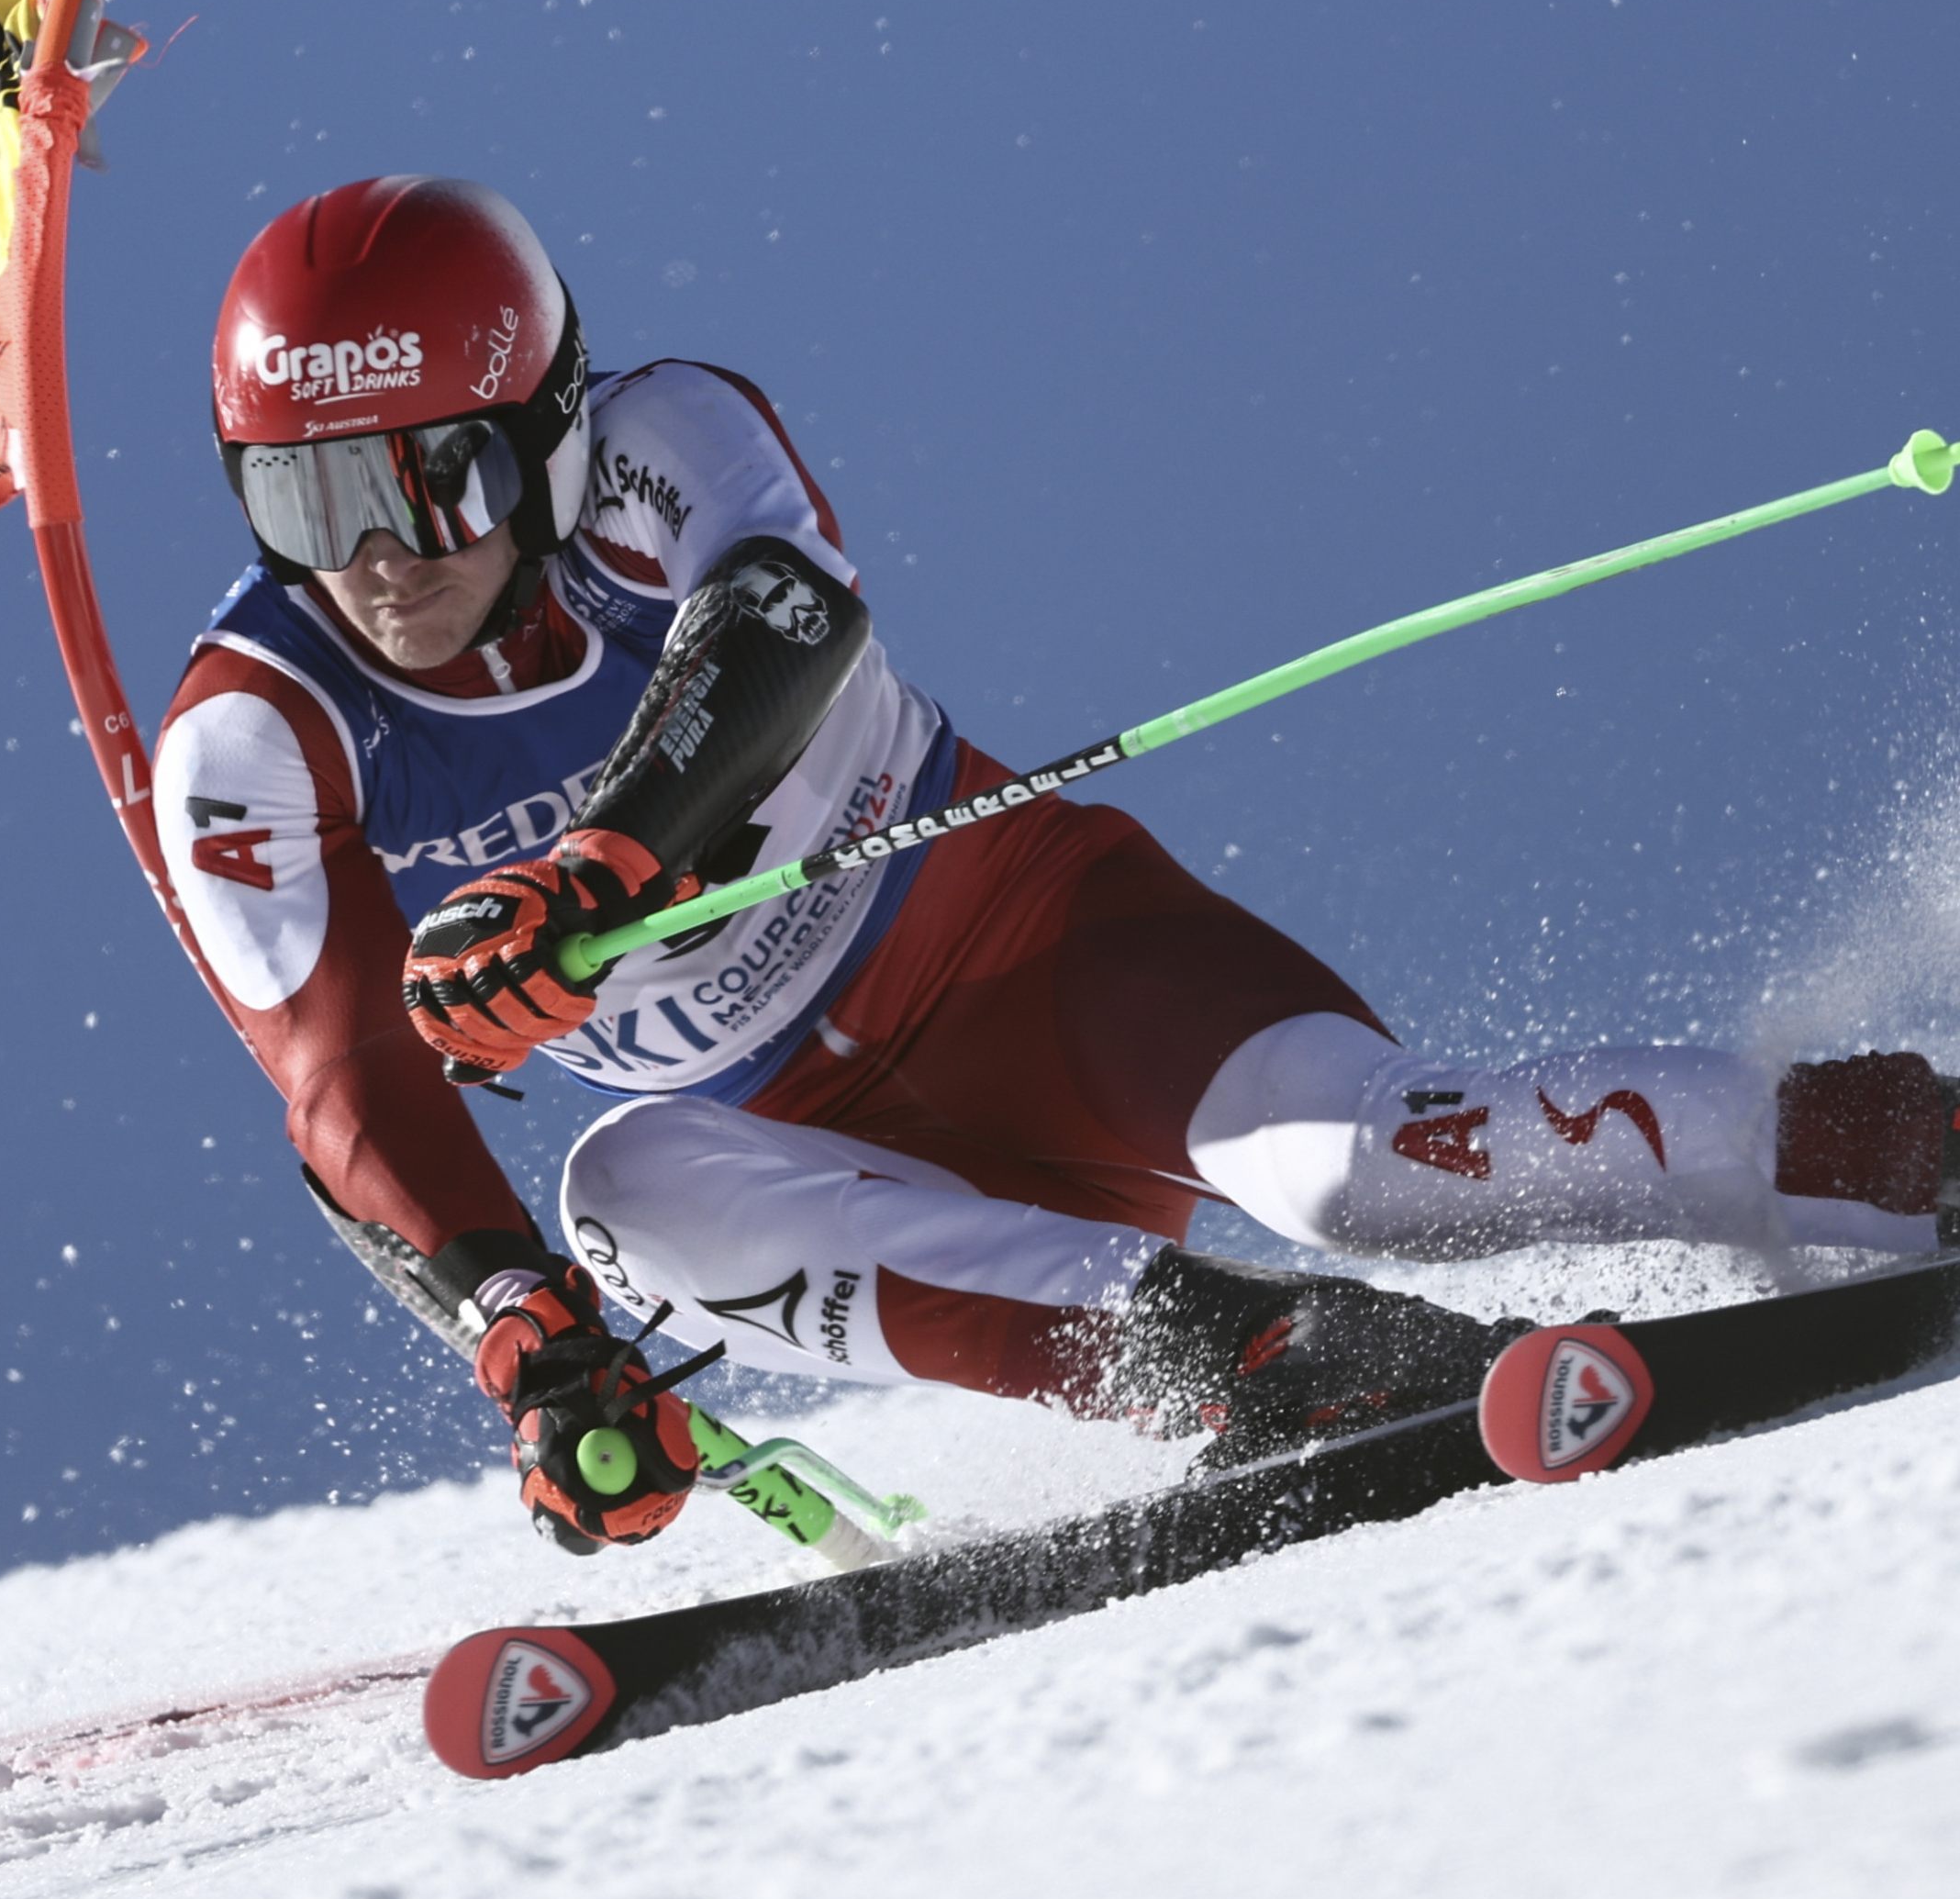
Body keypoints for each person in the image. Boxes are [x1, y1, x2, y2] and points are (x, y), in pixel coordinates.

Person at [157, 174, 1956, 1559]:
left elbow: (781, 623)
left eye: (434, 484)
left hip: (1031, 953)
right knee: (623, 1198)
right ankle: (1259, 1364)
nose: (380, 560)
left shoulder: (655, 440)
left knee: (1364, 1168)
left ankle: (1904, 1151)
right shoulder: (253, 737)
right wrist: (531, 1340)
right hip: (816, 1154)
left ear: (542, 428)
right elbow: (339, 1081)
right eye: (309, 504)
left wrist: (606, 872)